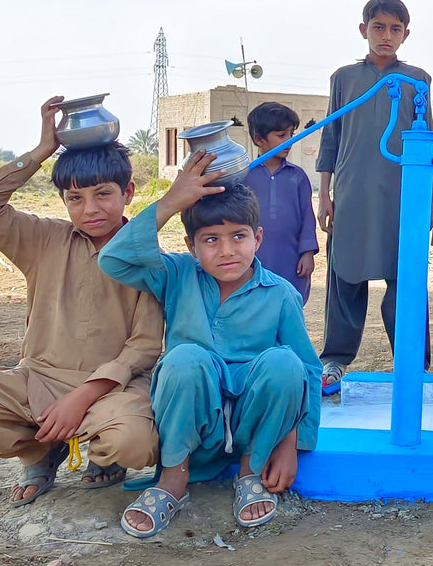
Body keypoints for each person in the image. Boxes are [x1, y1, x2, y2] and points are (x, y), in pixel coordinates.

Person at [0, 96, 162, 508]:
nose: (90, 209)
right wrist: (41, 152)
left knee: (132, 443)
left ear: (127, 193)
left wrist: (83, 396)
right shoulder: (43, 240)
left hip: (112, 387)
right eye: (75, 198)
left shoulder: (147, 256)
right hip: (38, 378)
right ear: (63, 201)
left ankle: (104, 454)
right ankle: (41, 452)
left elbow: (143, 347)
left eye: (103, 194)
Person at [99, 152, 322, 537]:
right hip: (194, 418)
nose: (226, 251)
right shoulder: (176, 274)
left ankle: (250, 473)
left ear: (258, 238)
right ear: (191, 245)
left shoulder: (281, 294)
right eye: (211, 240)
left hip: (255, 423)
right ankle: (173, 480)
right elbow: (113, 259)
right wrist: (172, 202)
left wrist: (290, 442)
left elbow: (309, 372)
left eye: (239, 236)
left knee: (285, 364)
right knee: (185, 357)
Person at [315, 0, 433, 392]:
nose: (386, 36)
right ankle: (334, 360)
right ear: (364, 29)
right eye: (379, 27)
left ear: (406, 34)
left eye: (395, 29)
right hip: (352, 192)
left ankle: (413, 364)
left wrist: (428, 201)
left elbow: (427, 143)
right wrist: (325, 194)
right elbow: (331, 138)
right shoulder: (343, 78)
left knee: (406, 277)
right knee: (344, 275)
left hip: (402, 195)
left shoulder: (417, 79)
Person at [242, 101, 318, 305]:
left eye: (291, 134)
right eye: (281, 135)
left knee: (289, 305)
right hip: (254, 258)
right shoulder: (243, 176)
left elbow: (307, 217)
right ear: (259, 139)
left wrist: (307, 253)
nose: (290, 141)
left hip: (291, 259)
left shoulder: (298, 176)